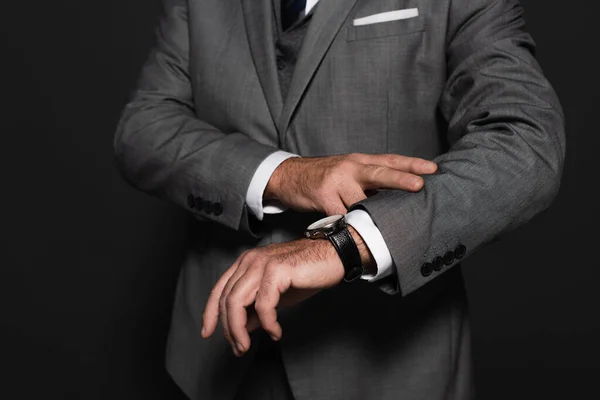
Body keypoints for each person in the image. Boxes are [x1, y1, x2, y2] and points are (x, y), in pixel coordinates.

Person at [113, 0, 566, 398]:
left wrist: (346, 244)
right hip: (214, 358)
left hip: (388, 366)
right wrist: (284, 175)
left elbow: (524, 141)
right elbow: (144, 127)